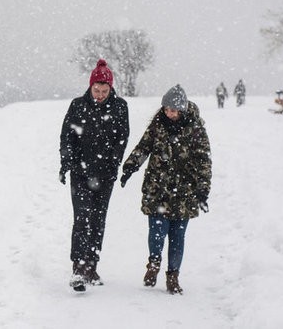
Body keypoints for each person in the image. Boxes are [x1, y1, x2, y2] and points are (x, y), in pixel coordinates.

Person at [120, 84, 211, 295]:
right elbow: (144, 147)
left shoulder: (195, 129)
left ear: (182, 110)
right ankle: (153, 264)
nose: (169, 113)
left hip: (184, 192)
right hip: (158, 189)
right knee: (157, 231)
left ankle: (173, 275)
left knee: (178, 237)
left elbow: (203, 161)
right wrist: (130, 167)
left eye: (173, 110)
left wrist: (202, 189)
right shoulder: (157, 125)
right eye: (166, 109)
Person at [59, 59, 130, 292]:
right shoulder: (78, 105)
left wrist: (114, 163)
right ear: (90, 87)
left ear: (111, 89)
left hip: (105, 175)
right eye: (96, 90)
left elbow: (122, 137)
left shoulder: (120, 107)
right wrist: (66, 162)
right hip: (80, 172)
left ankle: (91, 265)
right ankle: (78, 269)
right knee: (82, 218)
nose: (100, 94)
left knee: (98, 221)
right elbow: (67, 136)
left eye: (104, 91)